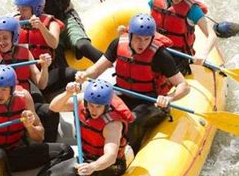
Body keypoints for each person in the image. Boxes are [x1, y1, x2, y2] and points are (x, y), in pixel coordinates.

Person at [75, 14, 190, 152]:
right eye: (138, 39)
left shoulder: (161, 55)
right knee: (90, 107)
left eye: (146, 39)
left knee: (132, 119)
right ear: (130, 35)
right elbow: (97, 69)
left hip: (150, 102)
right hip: (124, 94)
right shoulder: (118, 43)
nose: (142, 44)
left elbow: (184, 86)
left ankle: (131, 151)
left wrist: (169, 98)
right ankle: (94, 146)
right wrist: (85, 74)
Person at [28, 79, 134, 176]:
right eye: (91, 105)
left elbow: (111, 157)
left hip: (108, 166)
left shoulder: (112, 125)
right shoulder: (82, 101)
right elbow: (54, 107)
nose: (94, 110)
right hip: (86, 157)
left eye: (98, 107)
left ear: (106, 106)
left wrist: (92, 167)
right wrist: (67, 93)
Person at [149, 0, 219, 75]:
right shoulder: (156, 0)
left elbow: (212, 35)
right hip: (155, 47)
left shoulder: (193, 11)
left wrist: (203, 54)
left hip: (178, 56)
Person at [14, 0, 77, 98]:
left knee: (71, 73)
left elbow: (53, 43)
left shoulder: (51, 23)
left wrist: (41, 27)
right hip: (25, 70)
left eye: (24, 9)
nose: (20, 12)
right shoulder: (16, 21)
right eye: (19, 9)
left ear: (36, 9)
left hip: (45, 71)